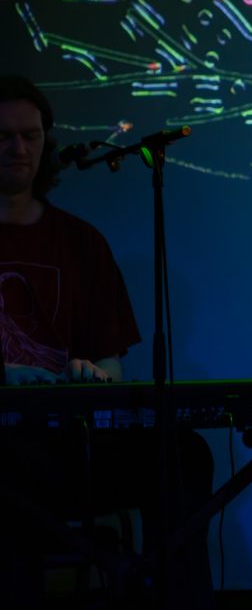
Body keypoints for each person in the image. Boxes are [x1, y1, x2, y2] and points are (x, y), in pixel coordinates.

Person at [0, 74, 214, 608]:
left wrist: (89, 376)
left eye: (30, 135)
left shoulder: (81, 242)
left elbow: (112, 369)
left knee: (182, 454)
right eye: (4, 137)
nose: (18, 149)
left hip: (71, 451)